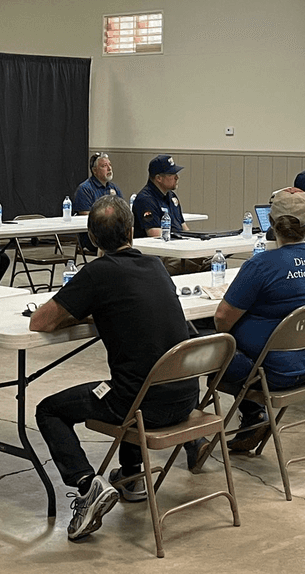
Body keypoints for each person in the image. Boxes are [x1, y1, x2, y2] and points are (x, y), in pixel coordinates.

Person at [30, 196, 199, 543]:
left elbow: (41, 322)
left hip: (141, 406)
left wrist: (81, 312)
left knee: (49, 410)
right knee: (137, 374)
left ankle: (86, 484)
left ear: (92, 237)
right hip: (185, 398)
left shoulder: (97, 273)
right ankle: (132, 477)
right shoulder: (156, 266)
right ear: (132, 232)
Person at [212, 188, 305, 454]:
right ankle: (253, 418)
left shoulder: (261, 265)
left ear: (271, 223)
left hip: (266, 373)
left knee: (204, 349)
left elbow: (221, 319)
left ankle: (246, 418)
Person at [73, 152, 121, 255]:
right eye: (104, 166)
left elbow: (122, 211)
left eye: (110, 165)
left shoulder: (114, 188)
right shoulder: (85, 189)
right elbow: (87, 218)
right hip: (93, 236)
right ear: (94, 170)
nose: (109, 168)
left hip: (113, 232)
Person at [132, 154, 186, 237]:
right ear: (158, 178)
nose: (177, 177)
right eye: (171, 174)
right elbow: (155, 236)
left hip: (177, 242)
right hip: (161, 244)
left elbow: (183, 226)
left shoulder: (172, 196)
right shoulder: (146, 200)